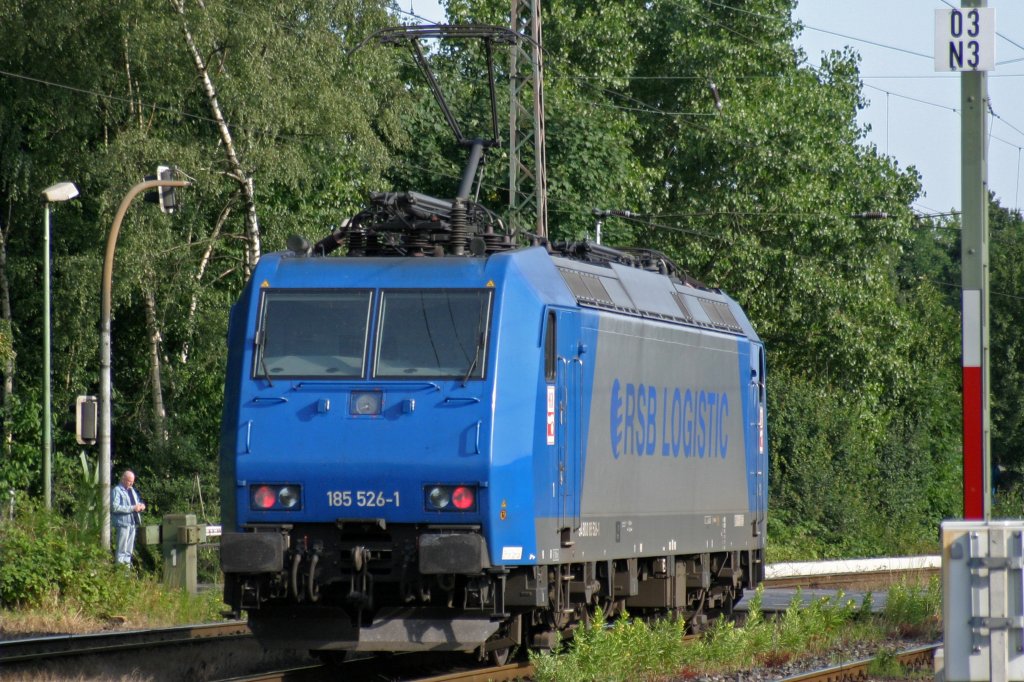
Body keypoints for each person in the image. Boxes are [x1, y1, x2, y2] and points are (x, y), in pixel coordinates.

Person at [111, 469, 145, 566]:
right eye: (129, 481)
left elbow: (136, 503)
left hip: (132, 523)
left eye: (132, 481)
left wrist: (141, 506)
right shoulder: (117, 490)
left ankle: (126, 574)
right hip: (123, 524)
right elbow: (115, 507)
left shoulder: (132, 490)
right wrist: (132, 508)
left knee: (129, 551)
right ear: (123, 479)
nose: (131, 484)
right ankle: (119, 572)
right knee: (121, 550)